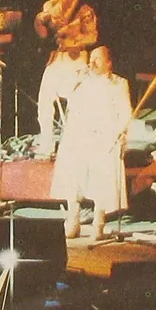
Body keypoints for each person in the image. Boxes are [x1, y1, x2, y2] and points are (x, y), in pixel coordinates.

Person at [51, 46, 132, 240]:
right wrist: (76, 78)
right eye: (91, 58)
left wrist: (121, 133)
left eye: (98, 59)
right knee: (72, 175)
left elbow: (125, 112)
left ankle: (99, 224)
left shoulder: (119, 83)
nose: (92, 62)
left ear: (109, 63)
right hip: (79, 136)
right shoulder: (81, 80)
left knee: (102, 178)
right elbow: (61, 91)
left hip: (104, 137)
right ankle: (73, 221)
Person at [33, 0, 98, 157]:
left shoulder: (85, 10)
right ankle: (46, 144)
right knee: (44, 100)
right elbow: (42, 33)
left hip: (76, 60)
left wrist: (72, 38)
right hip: (56, 59)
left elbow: (92, 37)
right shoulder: (50, 6)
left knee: (76, 103)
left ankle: (74, 145)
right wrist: (39, 21)